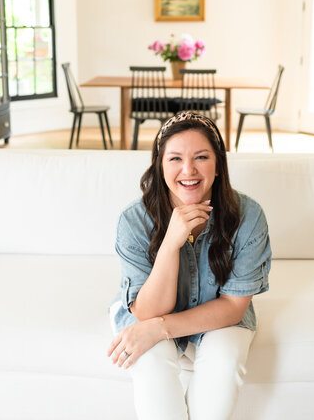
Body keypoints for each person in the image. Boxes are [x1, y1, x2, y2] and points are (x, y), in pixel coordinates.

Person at [107, 111, 271, 420]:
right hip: (147, 309)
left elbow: (233, 308)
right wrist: (171, 242)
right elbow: (146, 312)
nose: (188, 170)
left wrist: (161, 328)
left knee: (225, 359)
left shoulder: (249, 216)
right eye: (175, 159)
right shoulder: (133, 220)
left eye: (201, 157)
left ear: (219, 164)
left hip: (218, 315)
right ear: (159, 164)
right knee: (151, 363)